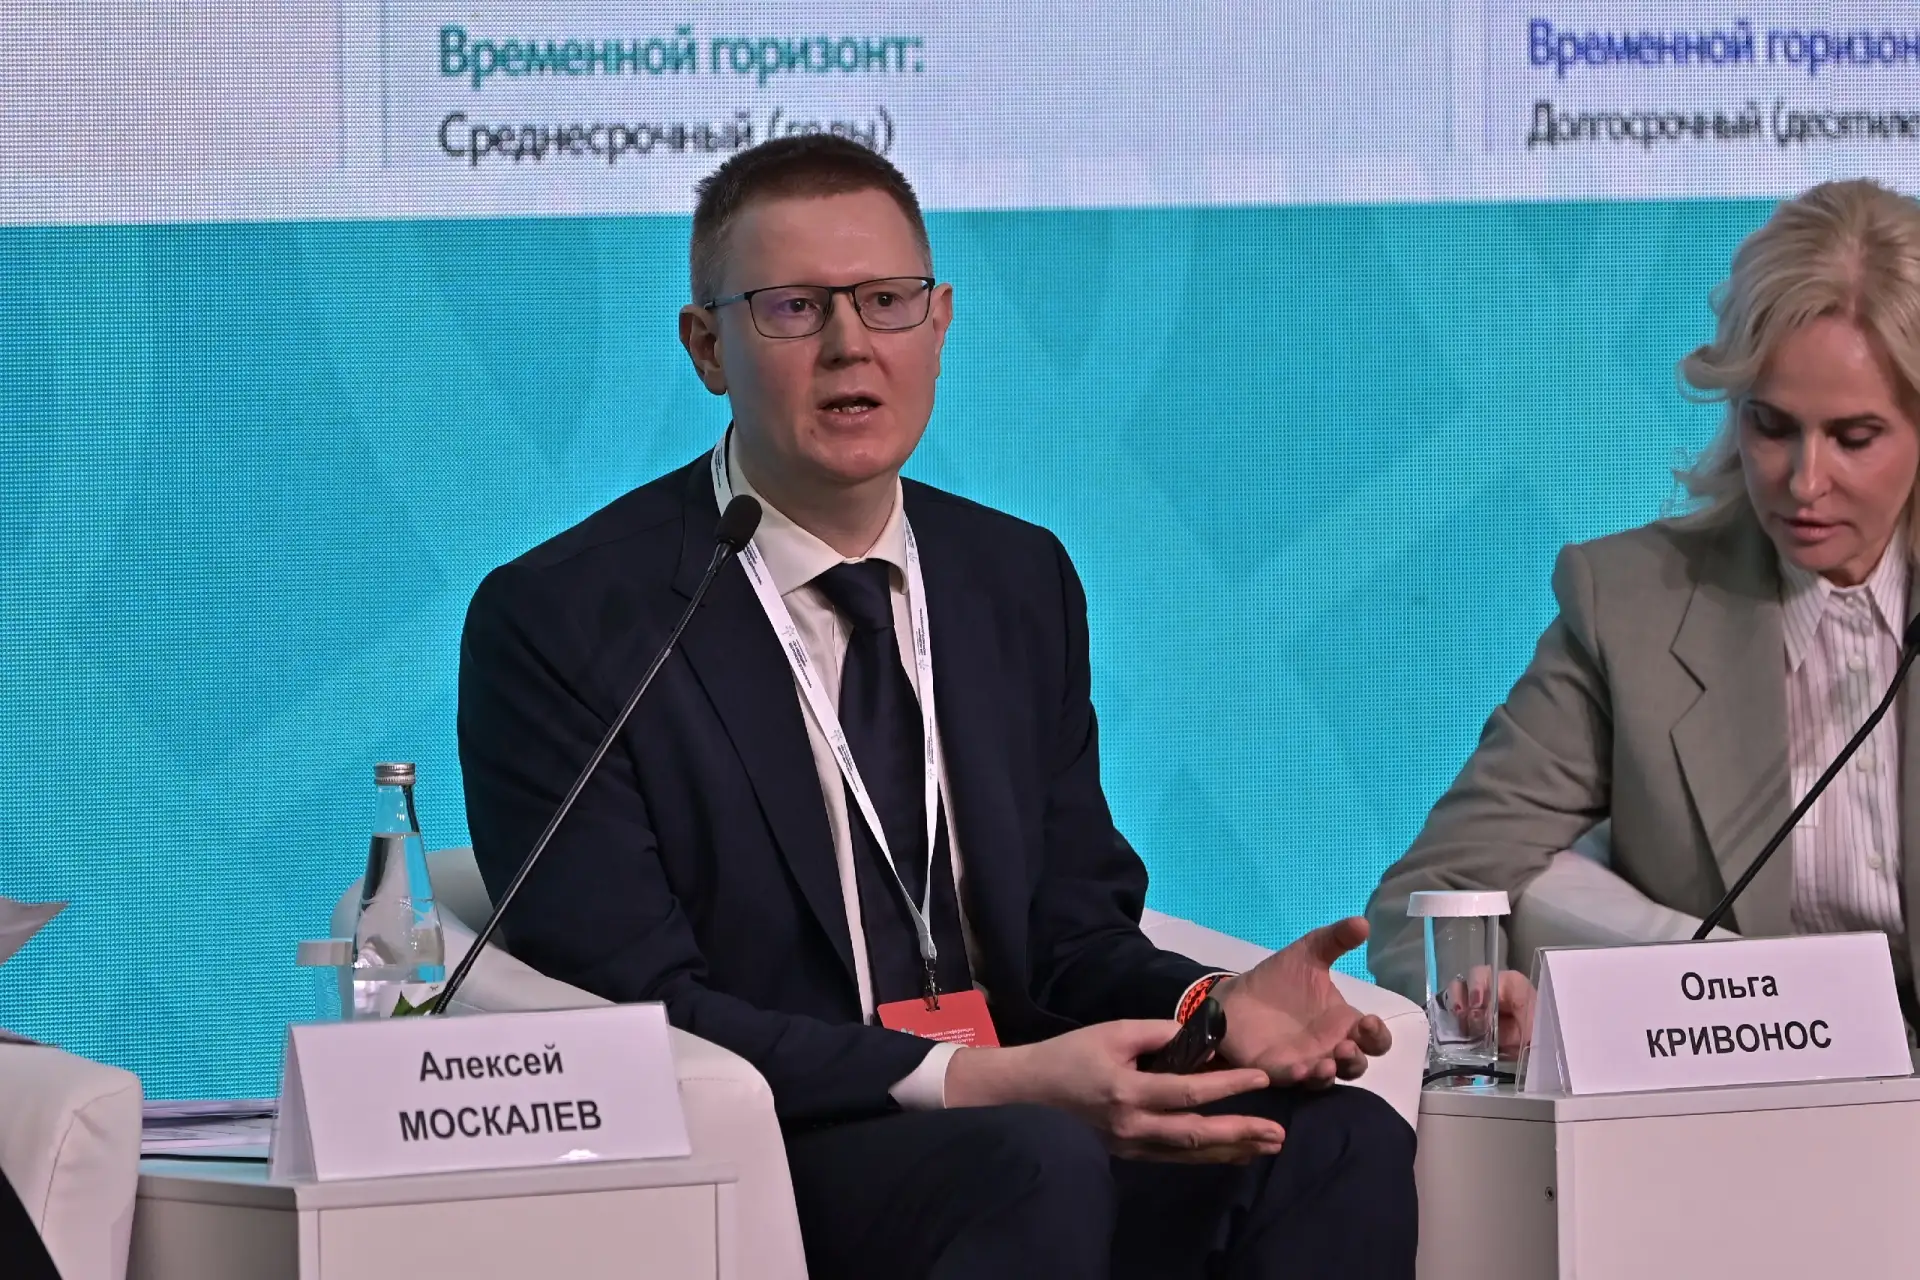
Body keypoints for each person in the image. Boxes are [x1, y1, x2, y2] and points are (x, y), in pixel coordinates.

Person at [459, 135, 1416, 1279]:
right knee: (1034, 1158)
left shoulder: (1014, 577)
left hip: (1028, 1121)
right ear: (708, 346)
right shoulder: (573, 617)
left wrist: (1210, 1005)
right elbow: (638, 998)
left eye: (886, 300)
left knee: (1340, 1140)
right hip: (780, 1140)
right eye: (793, 307)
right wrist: (971, 1078)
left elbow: (1069, 935)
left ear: (940, 320)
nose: (850, 344)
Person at [1368, 178, 1920, 1039]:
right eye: (1772, 426)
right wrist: (1481, 999)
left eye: (1854, 438)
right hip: (1740, 1095)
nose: (1805, 481)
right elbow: (1432, 895)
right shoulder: (1631, 607)